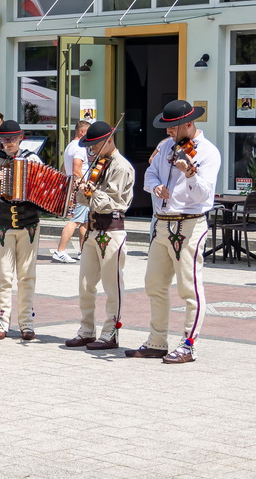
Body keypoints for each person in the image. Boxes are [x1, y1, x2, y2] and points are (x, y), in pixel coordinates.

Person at [129, 99, 219, 364]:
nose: (168, 133)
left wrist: (190, 174)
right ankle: (157, 341)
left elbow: (205, 194)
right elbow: (149, 175)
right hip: (161, 223)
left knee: (189, 288)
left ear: (188, 124)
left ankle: (188, 345)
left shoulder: (208, 153)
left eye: (173, 128)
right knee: (154, 284)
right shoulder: (165, 146)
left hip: (190, 224)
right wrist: (155, 187)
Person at [65, 122, 135, 351]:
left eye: (94, 145)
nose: (91, 150)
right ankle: (86, 330)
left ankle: (110, 333)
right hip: (93, 229)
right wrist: (81, 190)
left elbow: (108, 203)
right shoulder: (99, 164)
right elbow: (87, 201)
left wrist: (90, 190)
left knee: (112, 284)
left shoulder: (121, 167)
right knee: (85, 283)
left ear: (109, 140)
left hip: (111, 230)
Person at [0, 120, 42, 341]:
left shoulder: (32, 159)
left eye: (13, 138)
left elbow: (43, 189)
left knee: (27, 275)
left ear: (21, 137)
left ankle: (27, 323)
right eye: (5, 139)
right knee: (4, 275)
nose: (9, 142)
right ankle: (2, 321)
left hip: (29, 223)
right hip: (2, 223)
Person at [52, 120, 91, 263]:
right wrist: (86, 185)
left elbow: (64, 168)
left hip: (73, 187)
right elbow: (76, 170)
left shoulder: (70, 146)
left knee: (85, 222)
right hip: (80, 189)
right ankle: (60, 251)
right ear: (82, 132)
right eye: (88, 132)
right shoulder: (80, 148)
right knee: (75, 221)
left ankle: (83, 251)